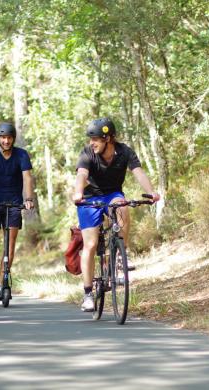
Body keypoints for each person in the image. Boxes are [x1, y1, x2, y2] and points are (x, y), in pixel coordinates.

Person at [72, 117, 160, 312]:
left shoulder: (124, 152)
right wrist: (78, 192)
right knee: (91, 244)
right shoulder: (88, 153)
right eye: (90, 139)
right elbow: (81, 175)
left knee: (122, 206)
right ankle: (88, 294)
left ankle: (120, 255)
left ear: (108, 139)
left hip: (112, 195)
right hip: (89, 199)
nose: (91, 143)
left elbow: (138, 172)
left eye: (96, 139)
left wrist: (151, 192)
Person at [0, 122, 35, 298]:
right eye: (3, 137)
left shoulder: (21, 155)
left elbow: (27, 178)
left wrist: (29, 199)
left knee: (9, 244)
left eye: (9, 137)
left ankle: (4, 278)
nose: (6, 140)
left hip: (15, 203)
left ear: (13, 139)